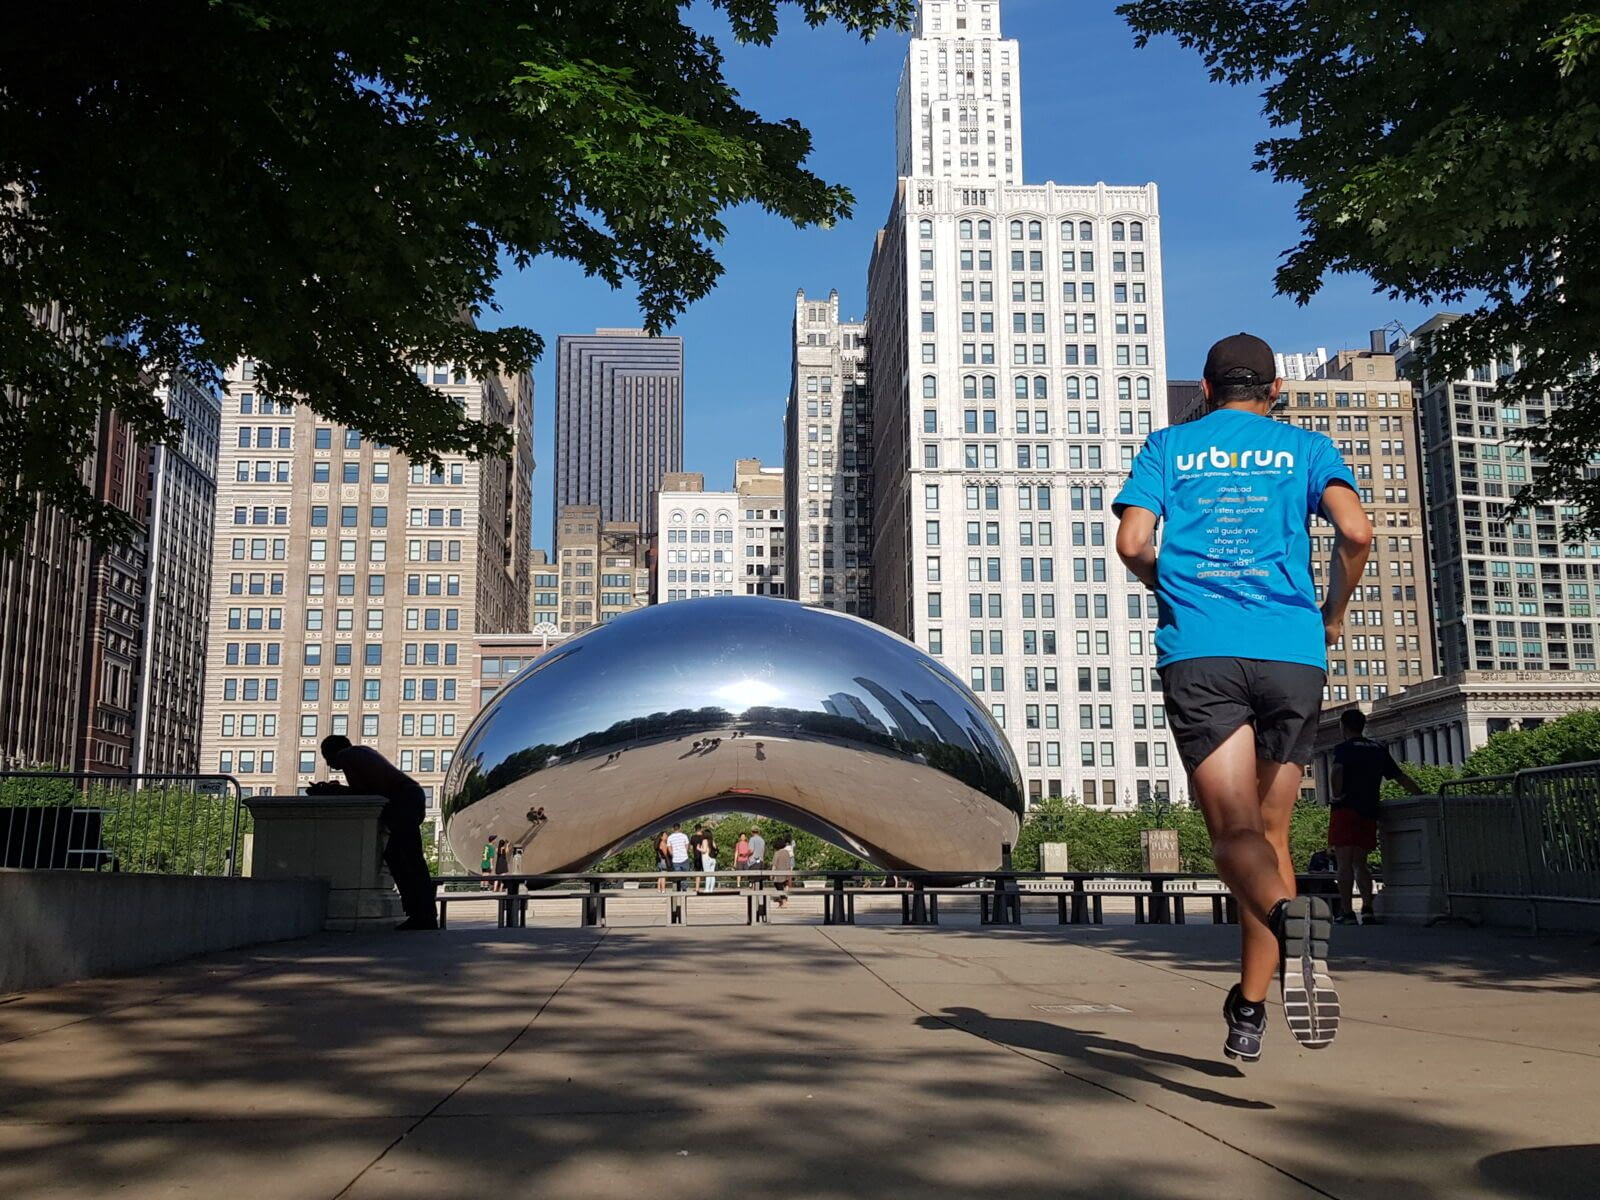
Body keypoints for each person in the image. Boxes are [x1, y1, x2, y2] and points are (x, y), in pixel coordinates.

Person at [1115, 332, 1372, 1062]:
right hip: (1292, 655)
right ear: (1274, 391)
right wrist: (1334, 608)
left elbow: (1134, 542)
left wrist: (1177, 589)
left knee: (1233, 837)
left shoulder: (1169, 447)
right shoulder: (1307, 449)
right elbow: (1355, 529)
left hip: (1204, 656)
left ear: (1205, 387)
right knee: (1271, 835)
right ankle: (1250, 1007)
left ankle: (1291, 919)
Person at [316, 735, 438, 930]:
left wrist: (333, 791)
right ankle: (421, 913)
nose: (328, 763)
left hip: (404, 800)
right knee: (403, 857)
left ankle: (423, 915)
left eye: (326, 756)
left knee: (408, 858)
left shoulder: (348, 755)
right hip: (410, 797)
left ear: (333, 752)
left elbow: (364, 794)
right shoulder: (362, 752)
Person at [1330, 708, 1423, 925]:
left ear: (1343, 726)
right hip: (1370, 809)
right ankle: (1368, 908)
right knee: (1361, 863)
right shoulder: (1377, 748)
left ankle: (1347, 912)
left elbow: (1336, 771)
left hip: (1346, 808)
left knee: (1344, 864)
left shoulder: (1344, 749)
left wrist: (1337, 794)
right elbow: (1399, 776)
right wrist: (1422, 795)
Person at [666, 823, 692, 891]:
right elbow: (687, 846)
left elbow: (669, 848)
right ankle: (684, 889)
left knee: (677, 876)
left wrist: (673, 854)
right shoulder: (684, 836)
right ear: (680, 828)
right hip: (684, 858)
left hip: (675, 860)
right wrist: (684, 852)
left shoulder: (670, 837)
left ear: (673, 829)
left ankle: (678, 889)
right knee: (685, 875)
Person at [770, 838, 794, 907]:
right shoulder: (786, 852)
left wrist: (771, 874)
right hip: (786, 872)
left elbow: (774, 865)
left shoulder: (777, 853)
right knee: (783, 886)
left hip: (779, 874)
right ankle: (783, 900)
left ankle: (784, 901)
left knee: (778, 886)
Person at [699, 828, 719, 892]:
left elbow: (704, 850)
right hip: (713, 859)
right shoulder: (712, 841)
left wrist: (698, 848)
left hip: (706, 858)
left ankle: (707, 889)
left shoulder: (704, 840)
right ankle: (711, 889)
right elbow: (716, 848)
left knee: (707, 874)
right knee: (712, 874)